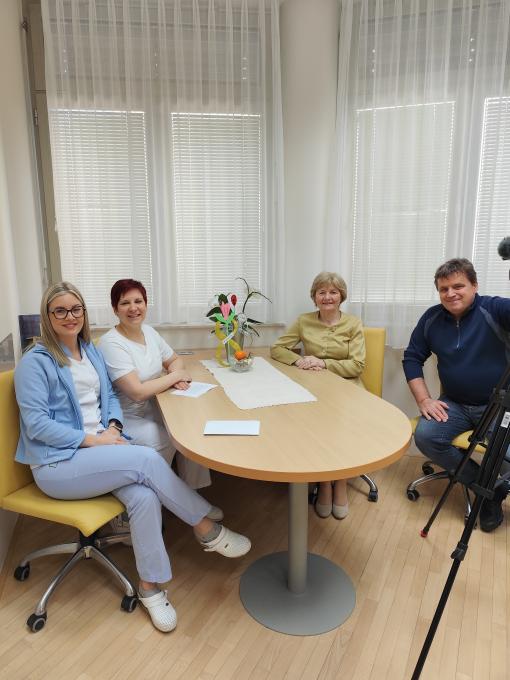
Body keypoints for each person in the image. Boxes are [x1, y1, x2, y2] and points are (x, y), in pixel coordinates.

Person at [14, 282, 251, 633]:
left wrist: (112, 426)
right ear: (47, 316)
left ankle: (150, 588)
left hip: (98, 449)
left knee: (143, 496)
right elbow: (37, 425)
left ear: (84, 313)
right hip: (58, 463)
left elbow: (109, 397)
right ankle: (206, 529)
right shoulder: (35, 362)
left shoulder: (88, 350)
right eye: (60, 310)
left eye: (76, 309)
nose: (69, 316)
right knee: (145, 459)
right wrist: (94, 440)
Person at [402, 258, 510, 532]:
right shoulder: (431, 318)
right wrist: (424, 399)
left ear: (474, 285)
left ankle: (491, 488)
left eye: (458, 286)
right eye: (444, 289)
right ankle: (485, 490)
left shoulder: (494, 309)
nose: (450, 293)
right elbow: (412, 357)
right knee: (426, 436)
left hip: (498, 406)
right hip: (456, 404)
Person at [97, 279, 216, 497]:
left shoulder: (149, 332)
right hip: (125, 416)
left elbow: (174, 360)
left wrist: (174, 376)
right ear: (115, 309)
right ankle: (164, 496)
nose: (133, 308)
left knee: (191, 427)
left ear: (146, 304)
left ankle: (193, 491)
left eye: (138, 301)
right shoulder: (111, 343)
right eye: (125, 303)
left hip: (155, 404)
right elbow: (137, 392)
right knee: (164, 438)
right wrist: (175, 377)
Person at [270, 271, 366, 519]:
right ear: (314, 297)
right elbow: (277, 348)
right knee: (315, 427)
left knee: (343, 427)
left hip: (347, 387)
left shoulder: (353, 323)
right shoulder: (304, 321)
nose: (327, 297)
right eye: (321, 292)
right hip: (314, 386)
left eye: (333, 292)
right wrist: (299, 360)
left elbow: (357, 365)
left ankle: (341, 482)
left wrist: (323, 363)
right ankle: (324, 483)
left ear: (341, 296)